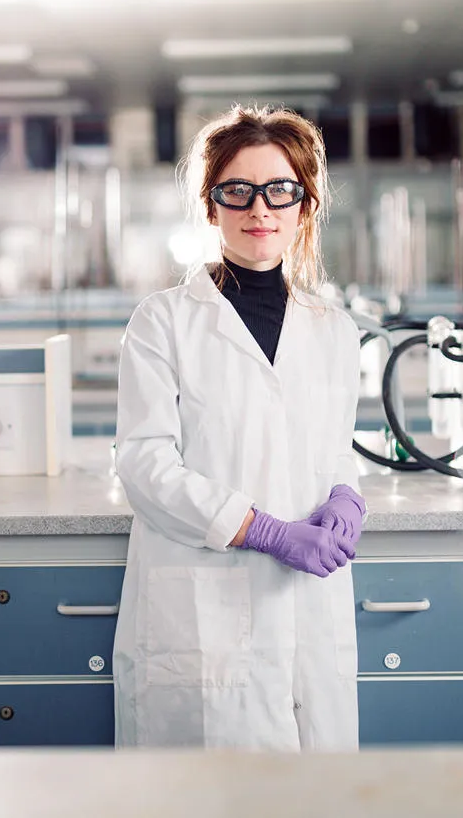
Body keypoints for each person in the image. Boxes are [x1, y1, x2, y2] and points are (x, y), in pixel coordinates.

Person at [111, 105, 366, 750]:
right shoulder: (162, 321)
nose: (261, 209)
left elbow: (337, 450)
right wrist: (264, 530)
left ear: (304, 205)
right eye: (239, 191)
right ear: (211, 205)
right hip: (207, 607)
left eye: (281, 190)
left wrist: (346, 496)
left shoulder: (333, 329)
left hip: (308, 603)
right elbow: (144, 465)